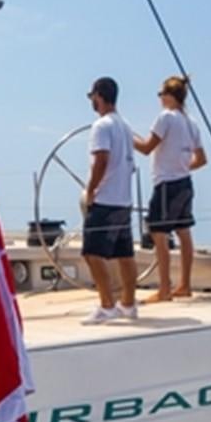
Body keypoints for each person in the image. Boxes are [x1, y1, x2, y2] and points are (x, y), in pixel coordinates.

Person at [133, 75, 207, 302]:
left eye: (160, 94)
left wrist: (126, 136)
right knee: (184, 233)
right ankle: (185, 284)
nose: (159, 99)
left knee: (159, 234)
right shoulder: (191, 123)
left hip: (166, 184)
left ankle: (164, 288)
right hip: (185, 183)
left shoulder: (165, 118)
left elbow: (146, 148)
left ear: (169, 96)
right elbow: (202, 159)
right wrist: (182, 166)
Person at [80, 76, 140, 324]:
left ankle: (107, 305)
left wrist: (91, 190)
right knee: (124, 254)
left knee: (92, 253)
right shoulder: (125, 126)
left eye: (92, 96)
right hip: (123, 201)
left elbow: (101, 160)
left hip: (105, 200)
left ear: (99, 95)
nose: (91, 101)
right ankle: (128, 304)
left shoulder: (101, 126)